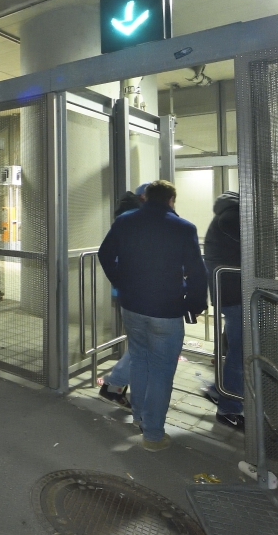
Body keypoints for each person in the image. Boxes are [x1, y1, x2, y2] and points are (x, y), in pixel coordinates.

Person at [97, 180, 207, 452]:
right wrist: (195, 304)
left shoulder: (126, 221)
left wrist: (121, 282)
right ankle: (154, 435)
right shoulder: (183, 227)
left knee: (140, 361)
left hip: (131, 305)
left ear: (146, 198)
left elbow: (105, 254)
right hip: (166, 309)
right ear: (171, 200)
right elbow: (196, 270)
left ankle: (139, 418)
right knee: (161, 370)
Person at [98, 183, 150, 409]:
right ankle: (115, 383)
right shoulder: (134, 218)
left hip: (134, 289)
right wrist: (121, 280)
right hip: (137, 290)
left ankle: (117, 384)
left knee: (143, 343)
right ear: (144, 197)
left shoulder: (132, 216)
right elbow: (108, 254)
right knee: (144, 343)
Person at [200, 190, 245, 430]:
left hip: (230, 294)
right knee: (240, 352)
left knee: (235, 348)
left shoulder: (226, 216)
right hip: (236, 294)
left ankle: (220, 389)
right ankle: (228, 407)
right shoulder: (232, 217)